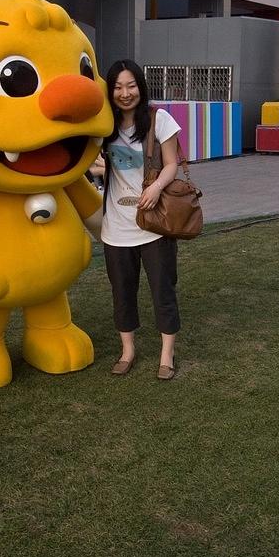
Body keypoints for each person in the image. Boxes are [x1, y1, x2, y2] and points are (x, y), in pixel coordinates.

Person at [96, 60, 182, 380]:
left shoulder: (159, 120)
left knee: (163, 290)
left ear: (141, 87)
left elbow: (172, 163)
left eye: (131, 85)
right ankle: (128, 351)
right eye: (117, 87)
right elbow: (99, 163)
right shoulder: (104, 125)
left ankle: (166, 355)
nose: (125, 93)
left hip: (154, 225)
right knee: (122, 293)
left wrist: (158, 187)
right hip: (116, 228)